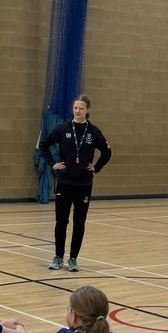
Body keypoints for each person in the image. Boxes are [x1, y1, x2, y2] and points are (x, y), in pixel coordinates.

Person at [38, 95, 112, 273]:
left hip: (84, 184)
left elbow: (107, 152)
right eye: (75, 108)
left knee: (79, 222)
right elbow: (44, 145)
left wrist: (96, 167)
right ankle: (58, 257)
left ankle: (73, 259)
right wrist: (53, 163)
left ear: (87, 110)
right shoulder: (63, 128)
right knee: (61, 221)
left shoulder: (93, 132)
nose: (77, 111)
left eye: (81, 108)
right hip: (65, 182)